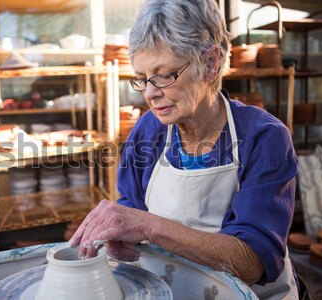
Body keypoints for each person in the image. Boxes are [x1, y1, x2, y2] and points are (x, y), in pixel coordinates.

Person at [69, 0, 299, 298]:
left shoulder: (264, 138)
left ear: (211, 63)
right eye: (141, 79)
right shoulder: (147, 131)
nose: (150, 93)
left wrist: (148, 227)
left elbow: (252, 262)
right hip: (172, 289)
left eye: (164, 75)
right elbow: (133, 209)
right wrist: (120, 235)